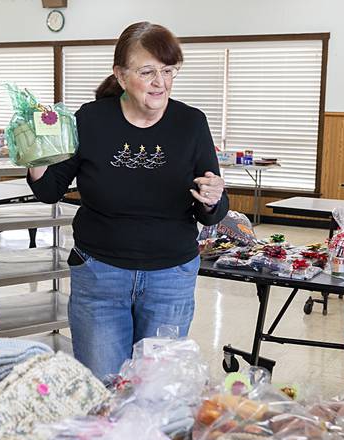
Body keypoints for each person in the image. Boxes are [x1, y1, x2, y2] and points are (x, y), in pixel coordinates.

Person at [27, 21, 229, 377]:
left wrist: (213, 198)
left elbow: (210, 211)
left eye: (168, 71)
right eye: (147, 71)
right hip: (101, 273)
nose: (160, 82)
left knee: (156, 391)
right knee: (104, 385)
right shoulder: (90, 120)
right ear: (120, 76)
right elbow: (49, 189)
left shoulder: (191, 123)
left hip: (171, 277)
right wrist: (34, 151)